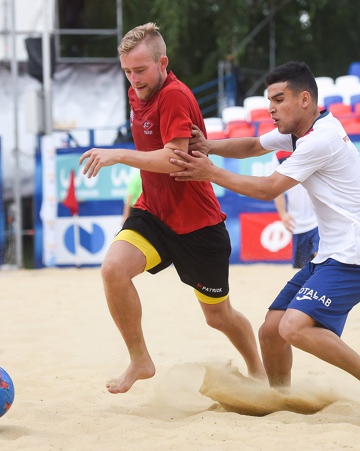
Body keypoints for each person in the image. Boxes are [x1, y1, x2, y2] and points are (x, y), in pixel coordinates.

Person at [168, 61, 360, 393]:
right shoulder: (301, 132)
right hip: (330, 255)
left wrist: (210, 172)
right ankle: (281, 398)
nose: (271, 108)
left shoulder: (320, 140)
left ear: (304, 99)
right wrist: (210, 146)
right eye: (269, 100)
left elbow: (268, 189)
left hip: (354, 260)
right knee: (270, 331)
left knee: (292, 328)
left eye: (279, 99)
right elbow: (254, 146)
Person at [79, 22, 266, 394]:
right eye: (127, 72)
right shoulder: (138, 92)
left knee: (218, 316)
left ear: (162, 63)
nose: (133, 79)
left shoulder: (174, 96)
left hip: (198, 226)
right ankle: (140, 360)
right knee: (113, 270)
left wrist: (119, 154)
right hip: (153, 213)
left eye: (140, 70)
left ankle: (259, 371)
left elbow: (174, 159)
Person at [272, 151, 319, 269]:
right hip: (297, 222)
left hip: (320, 217)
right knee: (304, 268)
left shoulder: (316, 145)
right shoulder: (279, 155)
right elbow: (276, 188)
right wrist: (283, 214)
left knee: (321, 258)